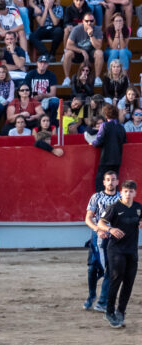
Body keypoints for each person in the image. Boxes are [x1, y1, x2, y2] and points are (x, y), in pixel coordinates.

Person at [96, 179, 140, 327]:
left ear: (135, 192)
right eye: (126, 191)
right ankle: (109, 311)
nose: (128, 194)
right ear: (121, 192)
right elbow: (101, 223)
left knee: (129, 282)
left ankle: (121, 311)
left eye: (131, 191)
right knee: (116, 279)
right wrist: (111, 229)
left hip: (132, 250)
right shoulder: (114, 207)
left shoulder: (138, 207)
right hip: (116, 250)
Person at [84, 169, 119, 311]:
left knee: (110, 269)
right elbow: (88, 218)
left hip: (114, 237)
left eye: (113, 179)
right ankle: (92, 295)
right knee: (92, 268)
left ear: (117, 182)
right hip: (97, 235)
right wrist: (98, 229)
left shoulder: (121, 198)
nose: (111, 182)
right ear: (104, 182)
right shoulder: (96, 197)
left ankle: (102, 301)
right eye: (108, 180)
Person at [85, 103, 125, 191]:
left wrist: (92, 143)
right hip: (117, 158)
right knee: (114, 181)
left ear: (106, 115)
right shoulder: (121, 127)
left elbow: (99, 141)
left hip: (106, 158)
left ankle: (100, 201)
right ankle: (115, 201)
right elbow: (124, 141)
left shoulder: (105, 126)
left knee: (100, 180)